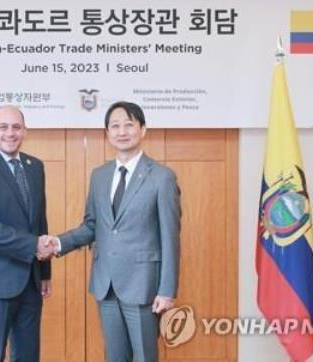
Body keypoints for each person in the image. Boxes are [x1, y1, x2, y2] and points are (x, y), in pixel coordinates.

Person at [42, 101, 181, 362]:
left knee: (144, 357)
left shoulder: (162, 177)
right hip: (105, 284)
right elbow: (92, 226)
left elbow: (170, 238)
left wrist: (167, 290)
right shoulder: (100, 176)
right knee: (114, 357)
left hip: (144, 287)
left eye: (129, 124)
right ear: (107, 133)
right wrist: (58, 243)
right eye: (115, 126)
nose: (122, 131)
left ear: (143, 130)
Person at [0, 105, 56, 361]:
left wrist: (45, 271)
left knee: (28, 355)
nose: (10, 133)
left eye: (16, 127)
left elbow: (40, 221)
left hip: (31, 280)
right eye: (3, 127)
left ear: (24, 131)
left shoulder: (35, 167)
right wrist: (34, 246)